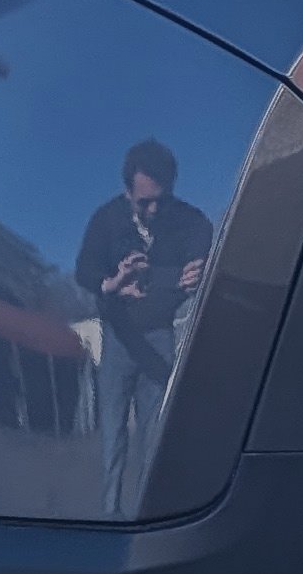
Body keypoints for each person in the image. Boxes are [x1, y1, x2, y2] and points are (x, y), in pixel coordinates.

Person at [74, 139, 212, 515]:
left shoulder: (189, 221)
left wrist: (198, 271)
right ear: (126, 192)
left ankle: (147, 515)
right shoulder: (106, 219)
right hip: (118, 336)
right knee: (113, 432)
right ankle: (109, 515)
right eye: (143, 202)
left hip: (160, 337)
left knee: (155, 435)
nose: (153, 210)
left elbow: (203, 251)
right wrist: (112, 283)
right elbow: (84, 269)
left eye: (161, 200)